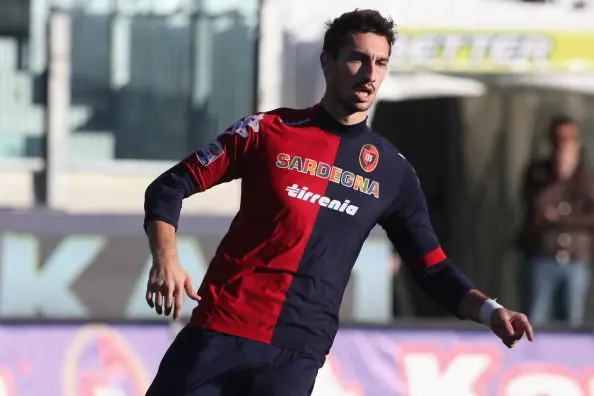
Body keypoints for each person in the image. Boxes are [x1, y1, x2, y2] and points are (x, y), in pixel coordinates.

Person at [143, 9, 533, 396]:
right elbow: (168, 186)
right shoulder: (266, 132)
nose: (370, 74)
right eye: (358, 58)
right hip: (221, 329)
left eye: (381, 63)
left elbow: (433, 269)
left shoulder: (393, 173)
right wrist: (166, 259)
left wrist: (491, 312)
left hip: (296, 353)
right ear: (327, 63)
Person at [517, 115, 594, 327]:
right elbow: (537, 206)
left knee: (572, 322)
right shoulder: (538, 173)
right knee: (535, 318)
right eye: (559, 139)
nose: (564, 144)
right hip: (542, 256)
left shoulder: (586, 177)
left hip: (575, 258)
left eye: (569, 139)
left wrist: (562, 218)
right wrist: (559, 177)